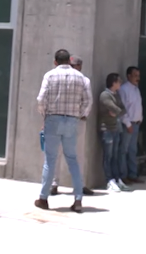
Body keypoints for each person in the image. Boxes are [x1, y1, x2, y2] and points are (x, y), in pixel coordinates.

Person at [36, 49, 93, 212]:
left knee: (50, 160)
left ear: (55, 62)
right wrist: (80, 114)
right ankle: (78, 199)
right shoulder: (82, 78)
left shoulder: (50, 75)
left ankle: (43, 198)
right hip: (72, 120)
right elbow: (88, 101)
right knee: (72, 159)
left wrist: (45, 114)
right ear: (69, 61)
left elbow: (41, 99)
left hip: (53, 119)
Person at [50, 56, 95, 197]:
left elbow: (88, 101)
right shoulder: (67, 78)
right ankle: (54, 184)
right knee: (59, 152)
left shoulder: (82, 80)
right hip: (68, 119)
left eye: (75, 65)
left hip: (71, 120)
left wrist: (81, 115)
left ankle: (77, 185)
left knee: (76, 153)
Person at [99, 73, 131, 192]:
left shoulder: (116, 95)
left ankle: (117, 179)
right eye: (119, 81)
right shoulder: (105, 95)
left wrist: (117, 112)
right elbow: (115, 108)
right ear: (113, 83)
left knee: (115, 155)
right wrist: (117, 111)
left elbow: (123, 109)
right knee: (108, 156)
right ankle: (109, 180)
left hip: (116, 128)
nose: (120, 83)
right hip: (107, 129)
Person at [118, 66, 144, 185]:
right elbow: (122, 109)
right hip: (127, 124)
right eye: (135, 76)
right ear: (129, 76)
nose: (138, 78)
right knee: (124, 150)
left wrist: (140, 118)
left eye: (138, 76)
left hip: (136, 123)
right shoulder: (124, 89)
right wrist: (128, 124)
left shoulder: (136, 89)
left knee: (133, 150)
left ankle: (133, 174)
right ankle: (123, 175)